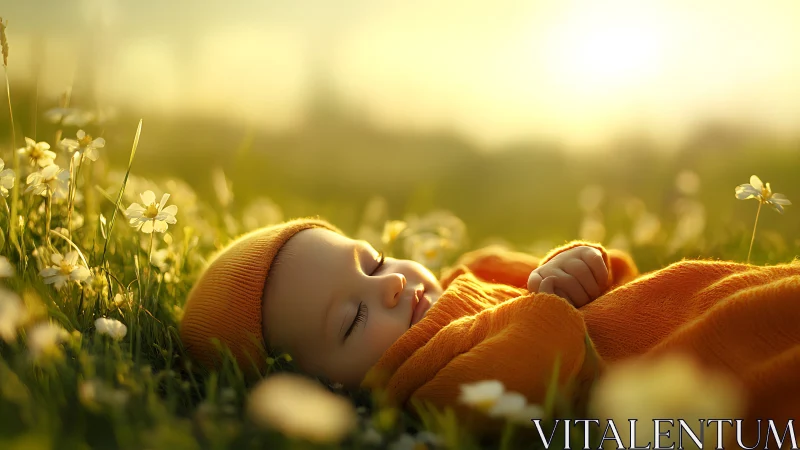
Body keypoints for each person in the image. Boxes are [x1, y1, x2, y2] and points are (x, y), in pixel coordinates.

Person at [180, 216, 800, 438]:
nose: (390, 283)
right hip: (680, 366)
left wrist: (569, 267)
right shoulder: (426, 381)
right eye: (354, 316)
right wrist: (543, 303)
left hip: (672, 301)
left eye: (371, 261)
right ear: (329, 389)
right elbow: (543, 356)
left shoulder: (463, 277)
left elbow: (596, 279)